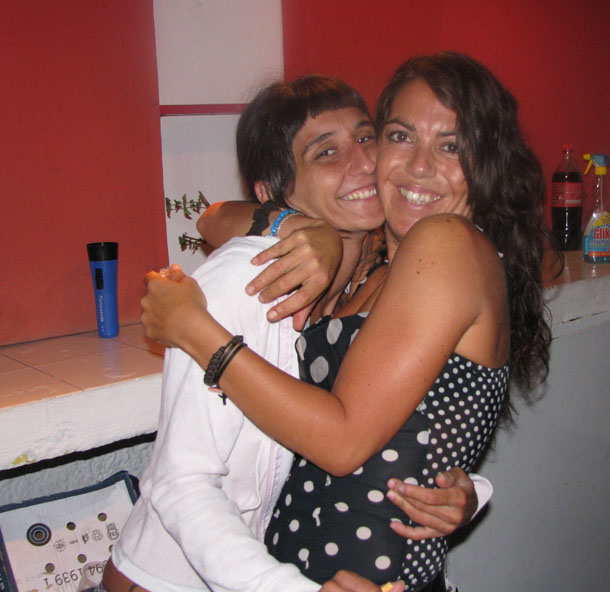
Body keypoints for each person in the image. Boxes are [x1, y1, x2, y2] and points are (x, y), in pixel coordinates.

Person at [140, 51, 553, 591]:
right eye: (400, 136)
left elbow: (342, 441)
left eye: (451, 146)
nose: (419, 165)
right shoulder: (370, 266)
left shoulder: (445, 242)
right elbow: (216, 216)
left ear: (488, 162)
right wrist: (301, 227)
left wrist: (196, 332)